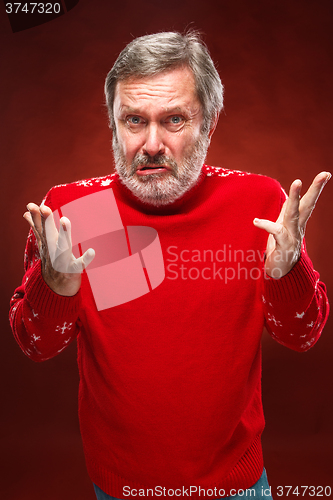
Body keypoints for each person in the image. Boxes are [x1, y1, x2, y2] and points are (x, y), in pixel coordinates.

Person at [10, 31, 330, 500]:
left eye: (174, 119)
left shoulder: (258, 202)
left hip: (237, 486)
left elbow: (302, 337)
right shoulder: (76, 208)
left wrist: (288, 271)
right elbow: (34, 345)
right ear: (113, 122)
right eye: (134, 120)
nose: (152, 143)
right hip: (121, 488)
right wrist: (56, 286)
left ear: (210, 121)